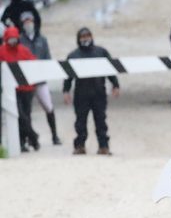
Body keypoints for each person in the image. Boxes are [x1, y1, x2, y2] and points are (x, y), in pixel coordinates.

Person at [62, 27, 120, 155]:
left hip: (99, 93)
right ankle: (80, 146)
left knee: (101, 121)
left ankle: (103, 146)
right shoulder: (73, 56)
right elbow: (68, 76)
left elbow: (110, 70)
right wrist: (66, 91)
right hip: (81, 94)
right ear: (78, 39)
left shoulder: (101, 52)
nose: (85, 39)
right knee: (80, 122)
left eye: (88, 36)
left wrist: (115, 85)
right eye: (83, 37)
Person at [19, 11, 61, 145]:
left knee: (48, 107)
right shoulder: (20, 40)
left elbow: (47, 58)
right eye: (25, 22)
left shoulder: (42, 40)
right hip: (26, 81)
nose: (28, 24)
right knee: (26, 111)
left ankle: (55, 135)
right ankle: (26, 139)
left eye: (30, 21)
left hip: (40, 80)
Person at [0, 25, 39, 151]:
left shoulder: (24, 50)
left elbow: (34, 64)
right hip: (12, 90)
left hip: (27, 89)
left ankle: (23, 142)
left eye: (14, 38)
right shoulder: (1, 51)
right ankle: (33, 136)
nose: (12, 41)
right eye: (10, 38)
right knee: (19, 116)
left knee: (26, 115)